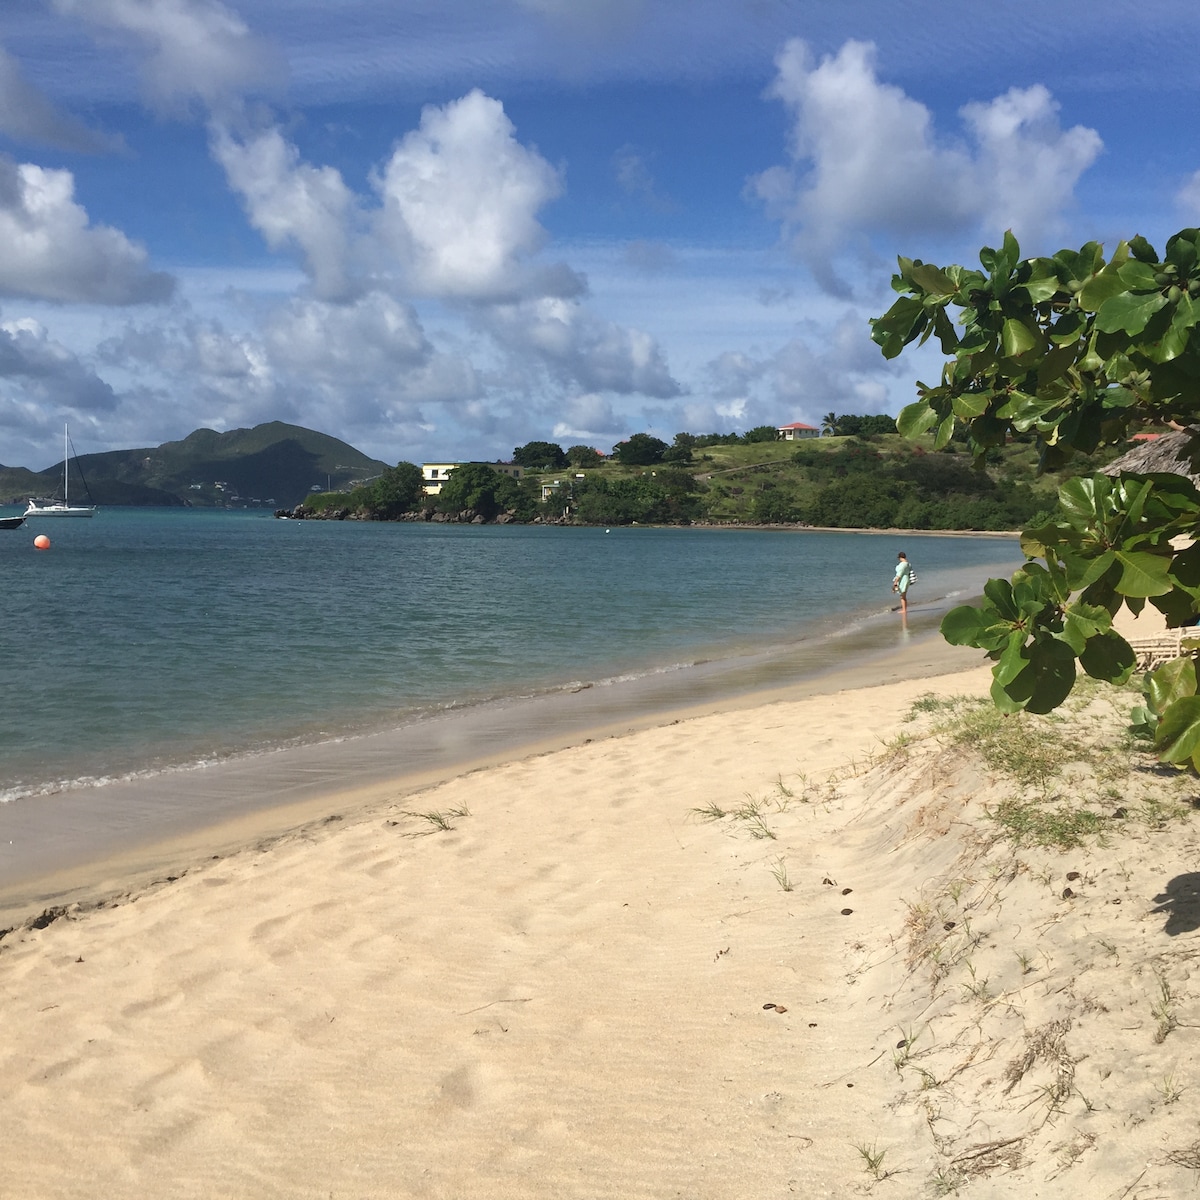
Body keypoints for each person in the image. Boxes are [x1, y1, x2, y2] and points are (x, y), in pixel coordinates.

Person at [892, 551, 913, 616]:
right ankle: (904, 609)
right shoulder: (908, 564)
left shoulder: (902, 564)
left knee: (902, 596)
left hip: (903, 580)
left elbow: (899, 574)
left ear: (900, 557)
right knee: (903, 595)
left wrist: (895, 582)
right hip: (906, 579)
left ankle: (904, 610)